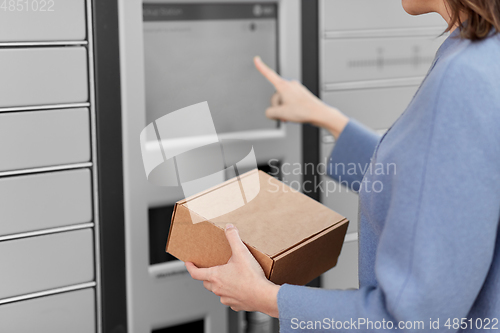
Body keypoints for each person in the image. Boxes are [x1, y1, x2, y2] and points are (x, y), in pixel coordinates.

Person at [186, 0, 500, 331]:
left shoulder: (463, 76)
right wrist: (327, 118)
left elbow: (411, 322)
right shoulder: (482, 55)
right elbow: (434, 190)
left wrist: (264, 297)